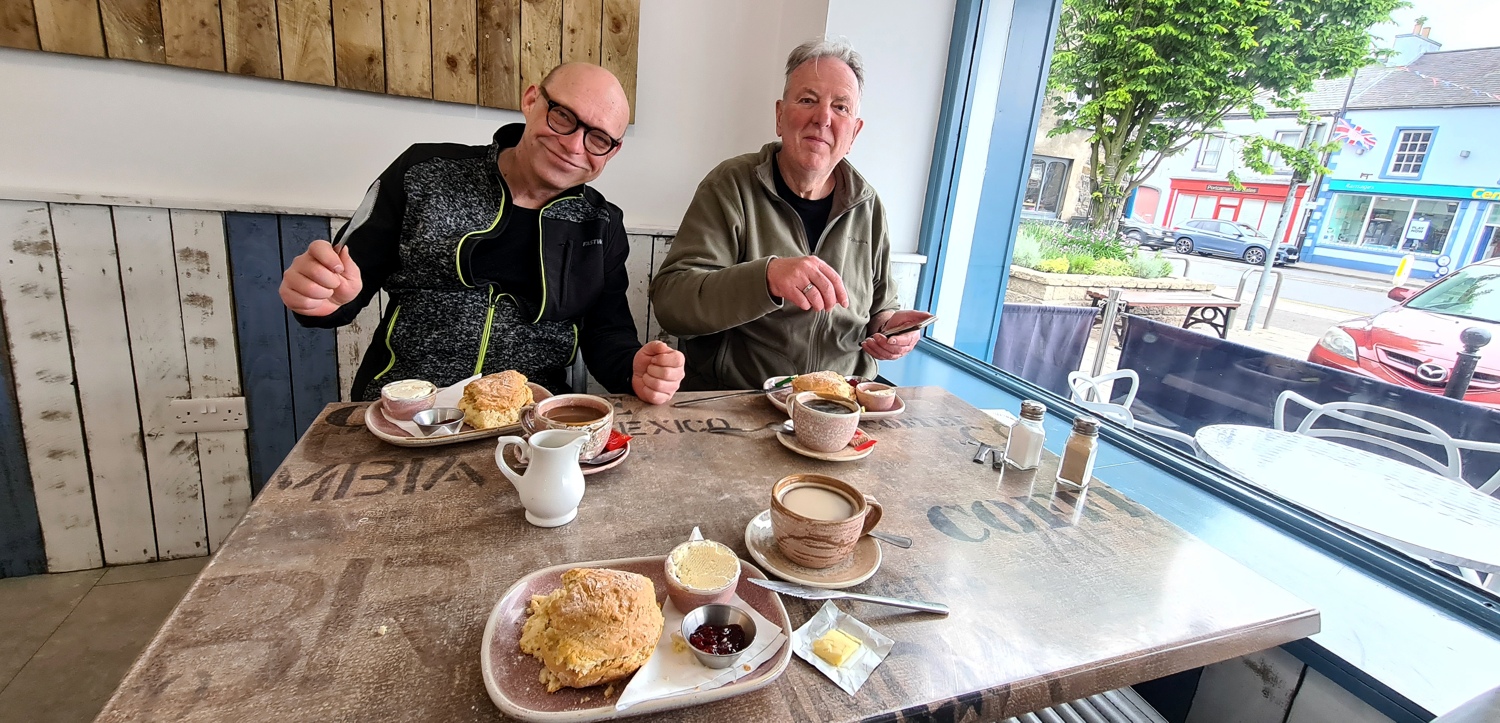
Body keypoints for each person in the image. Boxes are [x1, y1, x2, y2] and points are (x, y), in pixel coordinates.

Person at [279, 63, 684, 404]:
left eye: (597, 138)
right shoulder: (423, 171)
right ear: (531, 100)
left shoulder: (602, 224)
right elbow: (342, 288)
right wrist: (319, 296)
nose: (573, 146)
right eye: (563, 116)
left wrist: (637, 369)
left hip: (528, 420)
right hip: (405, 412)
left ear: (611, 152)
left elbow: (607, 332)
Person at [648, 39, 930, 391]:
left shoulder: (867, 205)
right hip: (741, 401)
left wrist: (890, 331)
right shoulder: (731, 185)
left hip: (840, 404)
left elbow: (880, 311)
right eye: (808, 100)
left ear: (854, 132)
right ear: (780, 116)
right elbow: (672, 303)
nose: (823, 118)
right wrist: (766, 278)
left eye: (841, 107)